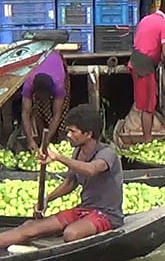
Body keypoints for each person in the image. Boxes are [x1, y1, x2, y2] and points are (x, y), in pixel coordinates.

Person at [0, 105, 123, 252]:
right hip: (84, 210)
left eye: (73, 131)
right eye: (68, 131)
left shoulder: (107, 153)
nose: (68, 135)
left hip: (107, 215)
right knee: (30, 227)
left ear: (88, 134)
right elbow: (71, 182)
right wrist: (47, 200)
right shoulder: (78, 152)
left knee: (71, 233)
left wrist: (58, 157)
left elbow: (91, 169)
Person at [129, 0, 165, 143]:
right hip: (144, 65)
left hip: (135, 61)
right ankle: (147, 140)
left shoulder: (146, 19)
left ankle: (147, 138)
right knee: (148, 105)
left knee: (146, 102)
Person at [21, 50, 69, 151]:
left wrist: (46, 142)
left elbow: (57, 115)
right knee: (38, 110)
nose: (42, 97)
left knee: (62, 109)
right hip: (40, 57)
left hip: (54, 57)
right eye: (39, 95)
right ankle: (39, 138)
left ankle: (58, 138)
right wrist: (29, 140)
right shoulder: (28, 83)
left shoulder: (59, 85)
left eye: (44, 95)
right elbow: (25, 113)